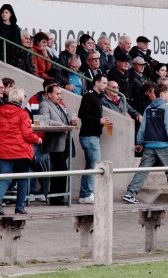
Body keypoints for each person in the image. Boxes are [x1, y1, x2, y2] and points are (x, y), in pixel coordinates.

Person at [123, 84, 168, 204]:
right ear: (162, 94)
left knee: (142, 171)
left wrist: (140, 142)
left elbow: (143, 127)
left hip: (149, 145)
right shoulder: (166, 108)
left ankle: (130, 194)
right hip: (164, 145)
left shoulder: (148, 108)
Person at [0, 88, 43, 215]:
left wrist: (2, 141)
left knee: (5, 178)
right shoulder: (23, 113)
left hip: (2, 152)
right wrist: (38, 139)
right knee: (22, 179)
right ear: (21, 99)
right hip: (21, 153)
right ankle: (19, 207)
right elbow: (27, 135)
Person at [39, 84, 80, 204]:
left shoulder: (59, 105)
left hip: (64, 141)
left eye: (60, 94)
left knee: (60, 169)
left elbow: (63, 120)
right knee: (61, 169)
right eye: (57, 94)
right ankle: (57, 197)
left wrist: (70, 122)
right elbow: (44, 120)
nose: (59, 96)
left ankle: (58, 196)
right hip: (55, 142)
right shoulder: (45, 104)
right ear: (49, 94)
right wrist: (62, 126)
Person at [77, 75, 113, 204]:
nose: (105, 85)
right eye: (103, 83)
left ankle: (85, 194)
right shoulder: (89, 96)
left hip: (93, 135)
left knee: (90, 165)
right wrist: (99, 120)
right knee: (94, 165)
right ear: (96, 83)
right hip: (89, 135)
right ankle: (88, 193)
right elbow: (82, 114)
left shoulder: (97, 98)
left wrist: (102, 122)